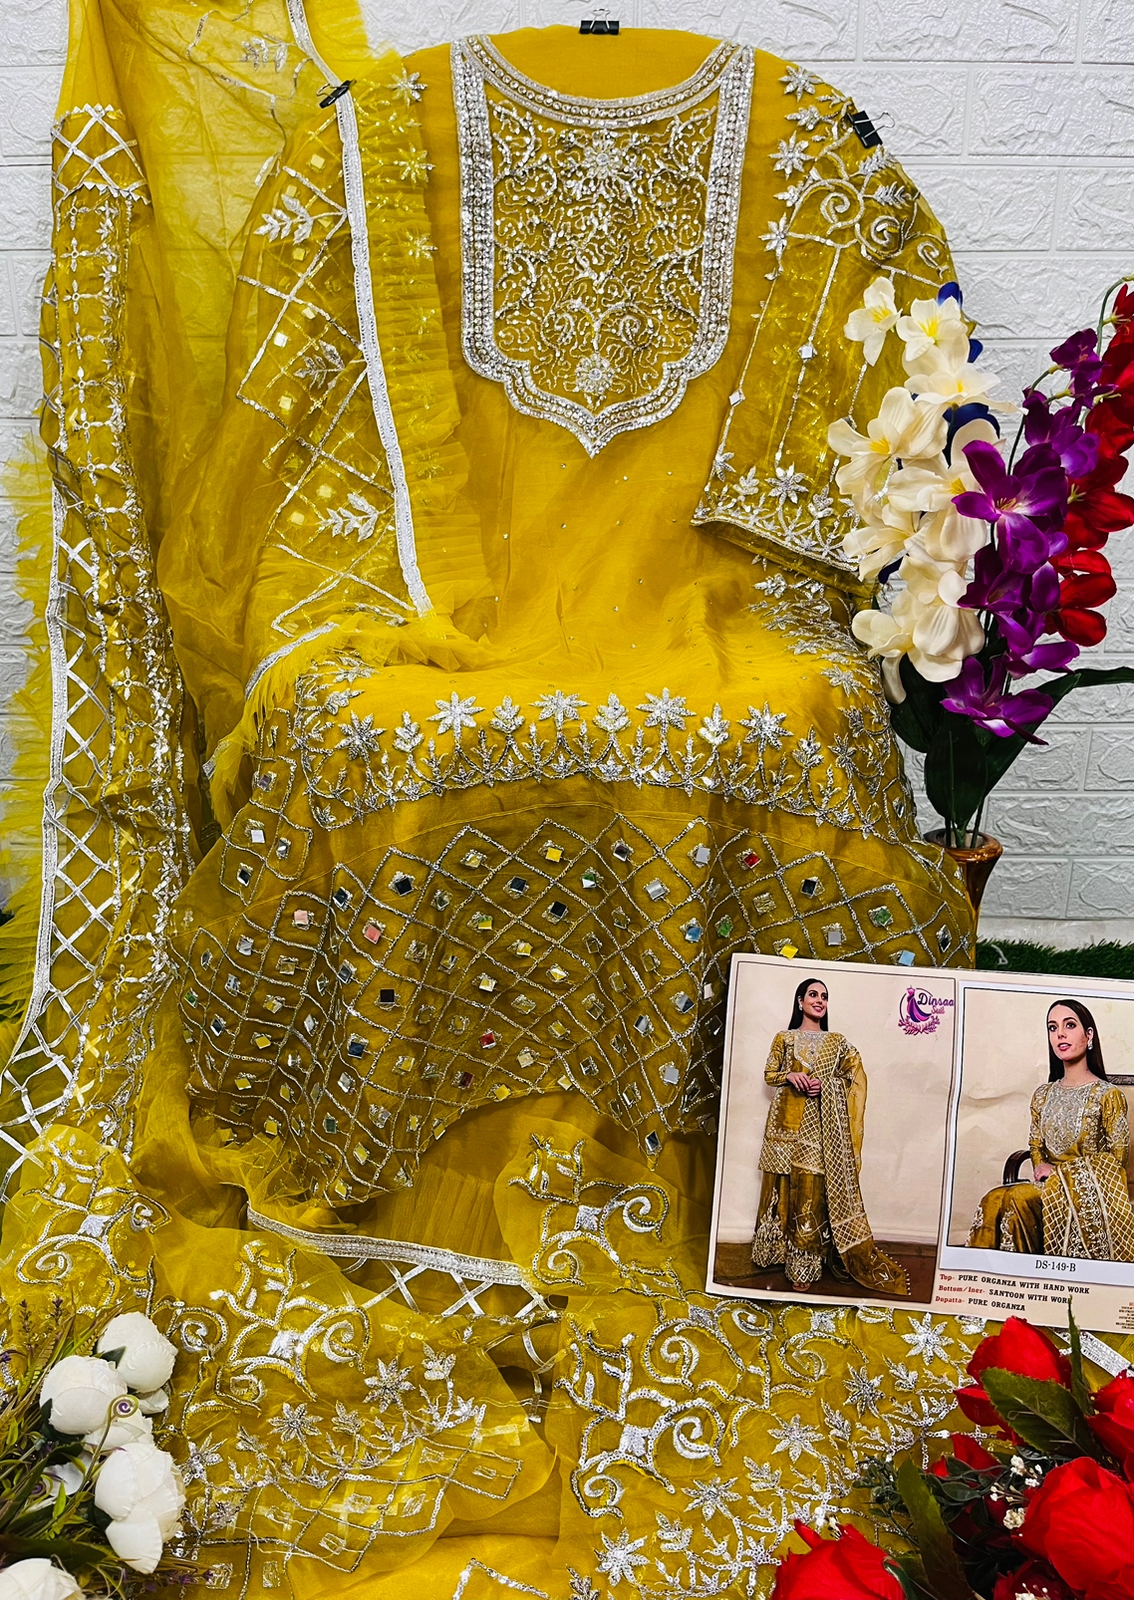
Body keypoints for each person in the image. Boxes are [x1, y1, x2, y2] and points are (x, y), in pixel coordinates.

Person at [751, 978, 908, 1294]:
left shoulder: (837, 1043)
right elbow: (769, 1075)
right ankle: (776, 1253)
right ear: (800, 1001)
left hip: (819, 1129)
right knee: (781, 1189)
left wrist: (828, 1086)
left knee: (809, 1194)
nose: (819, 1000)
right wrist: (790, 1075)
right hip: (783, 1125)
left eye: (824, 996)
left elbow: (856, 1079)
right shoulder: (784, 1038)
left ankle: (804, 1264)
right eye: (813, 994)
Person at [967, 1000, 1134, 1261]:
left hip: (1088, 1194)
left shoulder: (1107, 1095)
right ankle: (981, 1275)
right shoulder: (1043, 1095)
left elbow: (1116, 1160)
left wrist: (1058, 1174)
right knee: (995, 1199)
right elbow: (1035, 1145)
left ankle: (1018, 1277)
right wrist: (1043, 1172)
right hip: (1045, 1188)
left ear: (1089, 1035)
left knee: (1015, 1198)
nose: (1060, 1034)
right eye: (1053, 1028)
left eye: (1070, 1025)